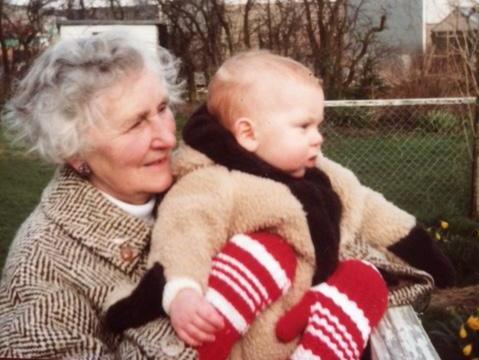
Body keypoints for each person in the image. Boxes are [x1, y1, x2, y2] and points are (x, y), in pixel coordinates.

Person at [105, 52, 455, 360]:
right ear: (249, 134)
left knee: (366, 278)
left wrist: (422, 249)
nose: (318, 137)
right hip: (254, 331)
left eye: (318, 125)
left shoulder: (321, 173)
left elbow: (368, 205)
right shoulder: (215, 180)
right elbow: (184, 230)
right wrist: (181, 292)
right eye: (303, 126)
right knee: (264, 252)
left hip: (312, 305)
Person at [0, 30, 215, 359]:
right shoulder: (40, 274)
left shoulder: (204, 179)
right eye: (135, 124)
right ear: (74, 152)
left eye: (162, 108)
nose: (167, 138)